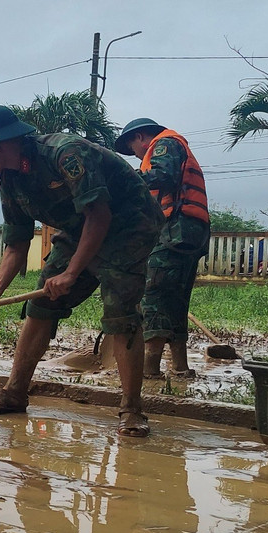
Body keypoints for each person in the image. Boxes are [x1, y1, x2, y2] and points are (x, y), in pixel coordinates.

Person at [0, 104, 163, 437]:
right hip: (80, 229)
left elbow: (100, 215)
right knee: (40, 306)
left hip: (128, 226)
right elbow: (17, 243)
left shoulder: (65, 153)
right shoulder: (10, 178)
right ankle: (15, 391)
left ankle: (131, 410)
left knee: (120, 314)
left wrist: (71, 273)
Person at [112, 118, 211, 378]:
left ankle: (149, 369)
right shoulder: (177, 146)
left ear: (141, 137)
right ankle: (180, 367)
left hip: (175, 230)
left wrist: (125, 179)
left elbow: (163, 175)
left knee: (153, 294)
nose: (134, 152)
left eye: (131, 145)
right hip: (191, 231)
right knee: (175, 299)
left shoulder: (164, 145)